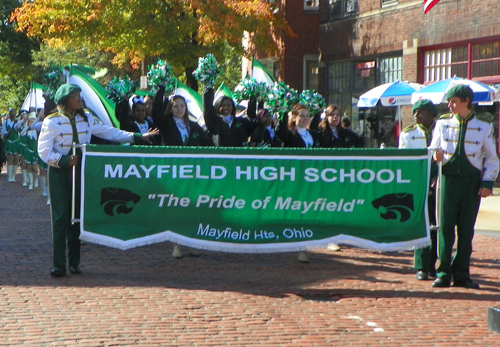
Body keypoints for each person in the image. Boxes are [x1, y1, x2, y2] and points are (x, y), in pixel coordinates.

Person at [38, 84, 159, 277]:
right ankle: (59, 264)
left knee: (76, 216)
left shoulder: (85, 117)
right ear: (66, 100)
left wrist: (136, 137)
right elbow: (43, 150)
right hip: (60, 173)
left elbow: (108, 131)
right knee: (60, 218)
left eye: (80, 95)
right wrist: (62, 160)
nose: (79, 99)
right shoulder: (52, 121)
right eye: (76, 96)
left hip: (82, 170)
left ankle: (75, 262)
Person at [430, 85, 499, 289]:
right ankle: (443, 272)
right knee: (444, 228)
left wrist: (487, 182)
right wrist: (435, 157)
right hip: (447, 181)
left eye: (453, 101)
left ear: (466, 101)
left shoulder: (484, 127)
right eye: (449, 101)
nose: (449, 105)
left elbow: (492, 158)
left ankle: (461, 273)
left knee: (466, 230)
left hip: (470, 183)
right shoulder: (442, 124)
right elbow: (432, 149)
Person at [153, 85, 213, 258]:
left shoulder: (195, 127)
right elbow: (156, 111)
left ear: (186, 108)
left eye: (181, 106)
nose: (179, 109)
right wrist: (160, 88)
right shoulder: (166, 124)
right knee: (176, 209)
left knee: (193, 208)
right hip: (174, 173)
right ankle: (177, 245)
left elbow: (209, 147)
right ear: (170, 108)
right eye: (175, 106)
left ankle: (192, 243)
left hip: (193, 175)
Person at [399, 99, 438, 281]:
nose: (416, 115)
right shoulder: (408, 134)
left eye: (420, 111)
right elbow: (404, 161)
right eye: (415, 112)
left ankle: (433, 264)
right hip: (418, 183)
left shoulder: (441, 130)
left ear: (430, 113)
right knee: (421, 224)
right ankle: (422, 265)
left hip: (439, 183)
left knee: (437, 226)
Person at [276, 104, 321, 263]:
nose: (304, 118)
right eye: (301, 115)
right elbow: (280, 132)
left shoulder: (314, 134)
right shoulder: (290, 134)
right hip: (295, 179)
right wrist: (282, 111)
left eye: (307, 115)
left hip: (312, 179)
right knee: (298, 212)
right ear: (294, 117)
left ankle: (305, 245)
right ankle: (300, 248)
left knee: (309, 212)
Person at [2, 107, 20, 183]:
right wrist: (8, 132)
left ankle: (13, 175)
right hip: (9, 141)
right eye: (12, 113)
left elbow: (20, 130)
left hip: (16, 141)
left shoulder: (17, 122)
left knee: (16, 158)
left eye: (14, 113)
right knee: (10, 159)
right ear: (9, 114)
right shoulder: (5, 122)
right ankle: (9, 176)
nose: (13, 115)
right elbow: (3, 132)